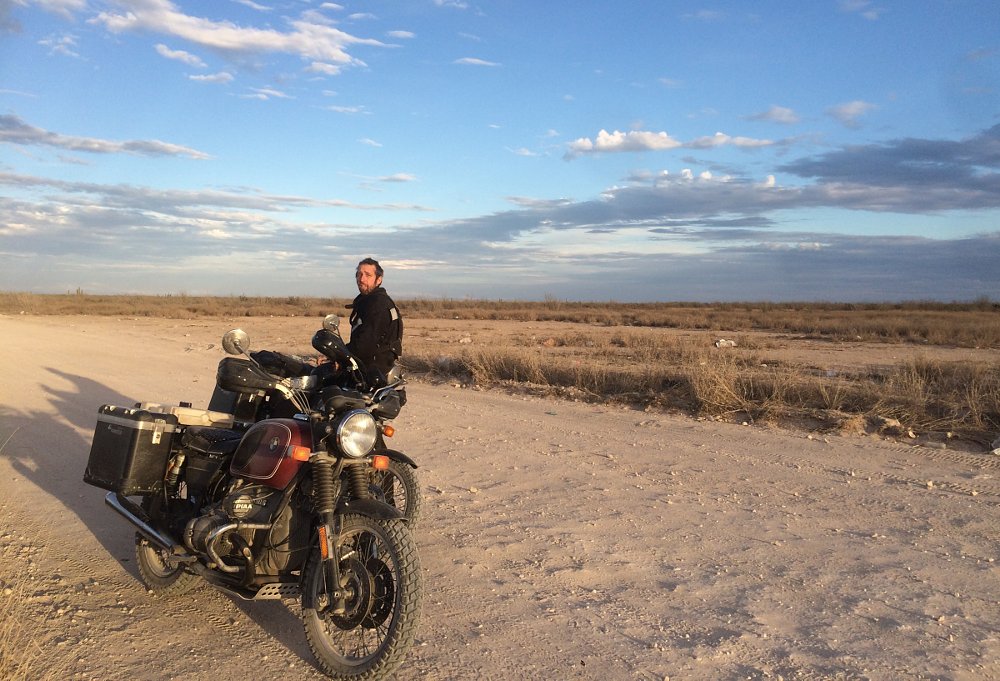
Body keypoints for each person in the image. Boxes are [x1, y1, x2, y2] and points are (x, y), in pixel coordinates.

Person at [347, 257, 403, 378]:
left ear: (378, 280)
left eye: (368, 275)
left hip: (372, 372)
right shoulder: (368, 301)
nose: (361, 279)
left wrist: (339, 358)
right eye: (359, 274)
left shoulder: (378, 304)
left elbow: (365, 344)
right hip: (368, 365)